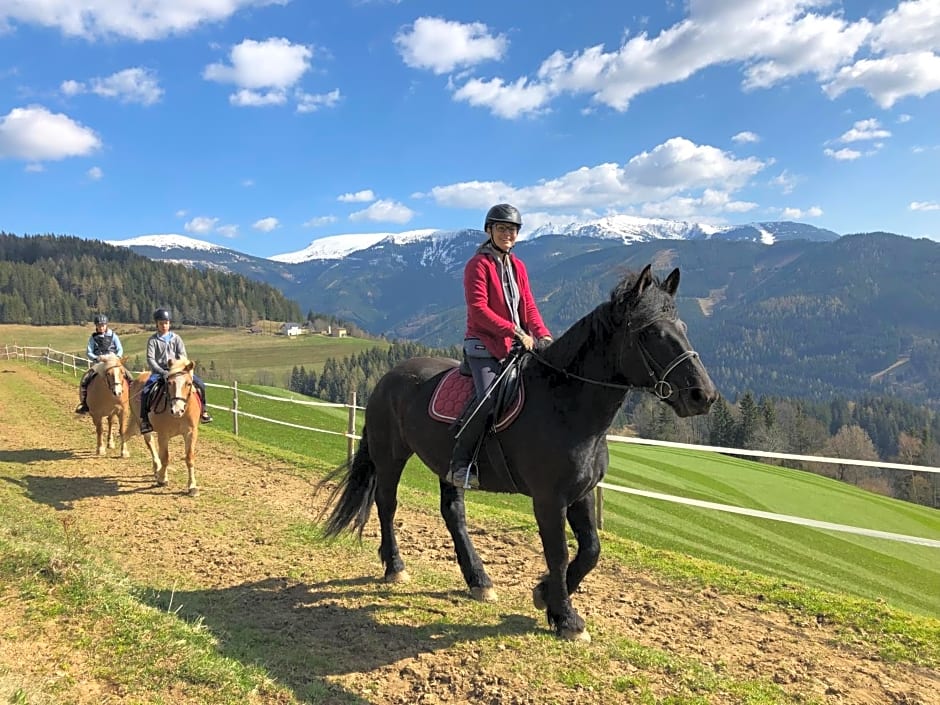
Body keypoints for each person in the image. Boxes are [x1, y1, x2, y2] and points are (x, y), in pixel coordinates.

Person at [446, 203, 553, 489]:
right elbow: (479, 309)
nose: (508, 234)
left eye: (513, 230)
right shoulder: (477, 265)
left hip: (516, 345)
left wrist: (543, 335)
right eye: (502, 228)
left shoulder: (518, 266)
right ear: (489, 230)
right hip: (483, 345)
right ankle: (461, 463)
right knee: (489, 399)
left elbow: (528, 305)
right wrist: (516, 331)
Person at [138, 308, 213, 433]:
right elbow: (151, 359)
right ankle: (145, 420)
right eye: (161, 323)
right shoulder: (153, 340)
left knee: (200, 385)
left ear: (169, 323)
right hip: (160, 371)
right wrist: (162, 372)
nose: (164, 326)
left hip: (178, 371)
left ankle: (203, 411)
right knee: (146, 390)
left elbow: (183, 356)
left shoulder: (176, 338)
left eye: (166, 323)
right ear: (157, 324)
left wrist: (181, 369)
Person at [74, 313, 126, 414]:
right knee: (86, 378)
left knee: (127, 375)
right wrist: (97, 358)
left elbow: (120, 349)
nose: (101, 327)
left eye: (103, 325)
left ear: (106, 325)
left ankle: (132, 398)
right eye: (99, 325)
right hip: (100, 363)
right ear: (96, 326)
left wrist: (117, 357)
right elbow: (89, 352)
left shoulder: (113, 336)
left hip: (113, 361)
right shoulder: (93, 338)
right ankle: (85, 403)